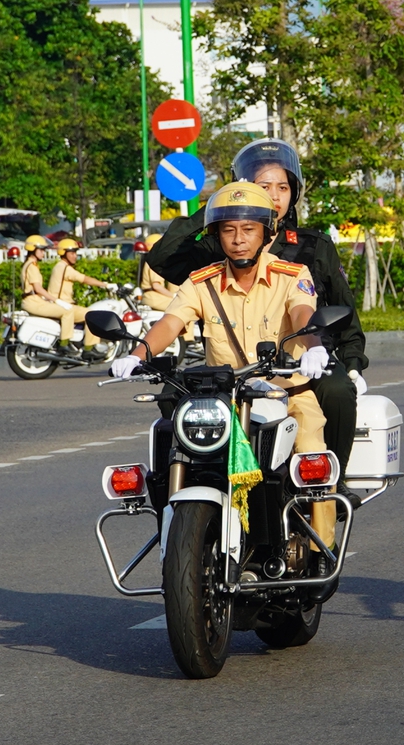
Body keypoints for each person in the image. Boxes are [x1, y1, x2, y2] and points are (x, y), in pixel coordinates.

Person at [113, 181, 343, 550]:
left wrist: (313, 345)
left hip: (289, 394)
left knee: (313, 458)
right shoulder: (202, 281)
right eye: (229, 230)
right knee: (172, 449)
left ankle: (320, 553)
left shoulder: (292, 274)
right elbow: (172, 322)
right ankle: (180, 543)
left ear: (266, 234)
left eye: (249, 229)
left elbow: (302, 313)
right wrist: (138, 354)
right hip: (225, 402)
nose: (238, 239)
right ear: (218, 236)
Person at [145, 138, 367, 465]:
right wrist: (221, 205)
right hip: (235, 367)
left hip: (304, 361)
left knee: (336, 391)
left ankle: (330, 479)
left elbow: (342, 311)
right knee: (174, 393)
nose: (274, 195)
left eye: (282, 187)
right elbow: (164, 258)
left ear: (294, 193)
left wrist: (352, 364)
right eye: (263, 185)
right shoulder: (225, 242)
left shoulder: (312, 245)